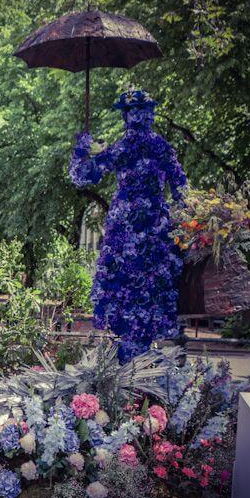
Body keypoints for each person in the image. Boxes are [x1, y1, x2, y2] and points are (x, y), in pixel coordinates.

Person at [69, 89, 187, 363]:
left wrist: (82, 149)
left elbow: (82, 175)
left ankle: (136, 358)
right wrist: (83, 150)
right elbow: (181, 188)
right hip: (138, 231)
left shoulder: (136, 146)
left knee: (140, 292)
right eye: (133, 112)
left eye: (138, 111)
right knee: (136, 292)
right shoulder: (145, 146)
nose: (136, 117)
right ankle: (136, 357)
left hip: (141, 232)